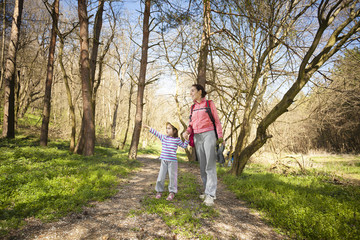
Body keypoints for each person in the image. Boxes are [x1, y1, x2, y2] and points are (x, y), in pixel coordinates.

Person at [183, 84, 224, 206]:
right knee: (202, 167)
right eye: (190, 91)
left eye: (192, 91)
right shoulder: (193, 107)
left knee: (210, 165)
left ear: (200, 92)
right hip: (197, 137)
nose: (190, 93)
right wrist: (187, 131)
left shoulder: (209, 104)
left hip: (209, 134)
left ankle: (211, 195)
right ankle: (207, 191)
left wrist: (220, 137)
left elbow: (216, 121)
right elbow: (191, 124)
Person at [143, 122, 189, 201]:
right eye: (166, 128)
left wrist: (187, 140)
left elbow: (184, 146)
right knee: (161, 177)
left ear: (174, 131)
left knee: (172, 177)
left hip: (173, 162)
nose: (167, 130)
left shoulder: (177, 139)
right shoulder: (164, 137)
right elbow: (156, 133)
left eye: (169, 128)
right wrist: (148, 128)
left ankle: (172, 192)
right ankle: (159, 191)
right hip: (164, 161)